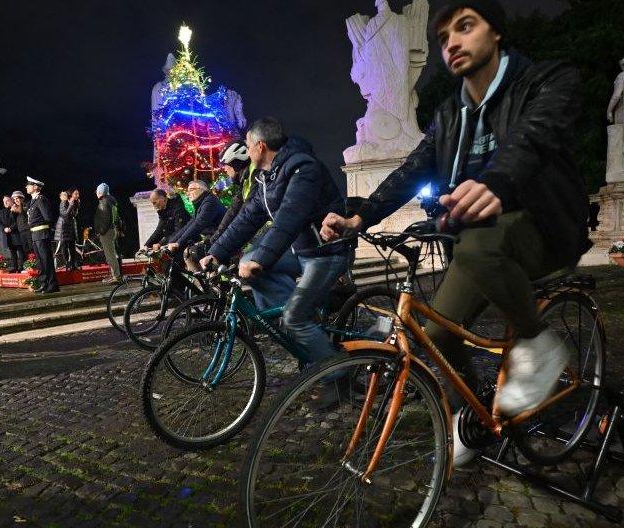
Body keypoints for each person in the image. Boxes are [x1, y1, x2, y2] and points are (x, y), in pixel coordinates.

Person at [320, 0, 591, 464]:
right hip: (478, 242)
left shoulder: (546, 80)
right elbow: (412, 168)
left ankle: (538, 342)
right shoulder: (449, 114)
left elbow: (536, 136)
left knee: (482, 244)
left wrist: (497, 183)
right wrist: (359, 216)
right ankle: (475, 416)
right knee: (438, 336)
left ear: (497, 33)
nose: (452, 43)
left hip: (544, 225)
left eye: (465, 27)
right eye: (443, 37)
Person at [201, 117, 352, 366]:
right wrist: (216, 252)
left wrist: (262, 258)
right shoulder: (266, 178)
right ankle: (304, 321)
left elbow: (289, 218)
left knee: (293, 316)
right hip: (301, 250)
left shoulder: (303, 168)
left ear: (260, 146)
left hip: (326, 251)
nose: (247, 153)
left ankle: (334, 376)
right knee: (249, 262)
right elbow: (247, 218)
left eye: (248, 147)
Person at [167, 180, 226, 272]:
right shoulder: (201, 204)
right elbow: (189, 225)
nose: (188, 193)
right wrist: (172, 242)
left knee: (190, 253)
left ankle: (205, 284)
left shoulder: (210, 202)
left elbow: (199, 224)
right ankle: (205, 282)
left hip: (221, 238)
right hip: (214, 237)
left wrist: (178, 243)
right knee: (189, 252)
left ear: (201, 190)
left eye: (191, 190)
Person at [25, 176, 59, 293]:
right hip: (35, 234)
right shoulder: (33, 201)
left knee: (46, 260)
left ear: (35, 187)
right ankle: (44, 283)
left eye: (28, 185)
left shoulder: (41, 199)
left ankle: (52, 284)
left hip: (42, 233)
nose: (26, 187)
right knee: (40, 261)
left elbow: (48, 217)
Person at [94, 182, 123, 283]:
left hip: (107, 232)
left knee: (110, 255)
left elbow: (105, 219)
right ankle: (115, 275)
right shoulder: (112, 201)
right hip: (112, 230)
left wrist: (100, 231)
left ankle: (116, 276)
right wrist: (119, 228)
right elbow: (116, 217)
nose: (96, 193)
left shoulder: (103, 201)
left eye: (97, 191)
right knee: (113, 253)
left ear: (100, 192)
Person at [54, 188, 80, 270]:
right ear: (71, 194)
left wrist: (76, 205)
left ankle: (74, 264)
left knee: (72, 245)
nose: (77, 195)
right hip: (63, 226)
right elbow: (64, 214)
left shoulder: (75, 202)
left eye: (78, 194)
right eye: (75, 193)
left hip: (70, 226)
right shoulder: (63, 202)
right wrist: (71, 204)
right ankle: (67, 264)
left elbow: (74, 215)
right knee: (64, 246)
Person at [0, 195, 23, 271]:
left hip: (16, 234)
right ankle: (15, 268)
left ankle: (21, 267)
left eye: (7, 200)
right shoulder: (0, 212)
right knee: (12, 252)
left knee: (20, 251)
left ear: (12, 201)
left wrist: (11, 228)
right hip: (7, 236)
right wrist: (4, 228)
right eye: (4, 201)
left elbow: (18, 221)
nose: (5, 202)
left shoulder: (16, 209)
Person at [10, 191, 34, 257]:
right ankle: (29, 265)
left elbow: (22, 212)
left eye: (17, 198)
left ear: (22, 198)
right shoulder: (15, 207)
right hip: (21, 231)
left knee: (32, 248)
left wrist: (19, 205)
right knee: (25, 249)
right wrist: (12, 211)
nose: (15, 200)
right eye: (14, 199)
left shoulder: (27, 204)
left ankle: (36, 265)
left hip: (28, 230)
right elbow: (12, 219)